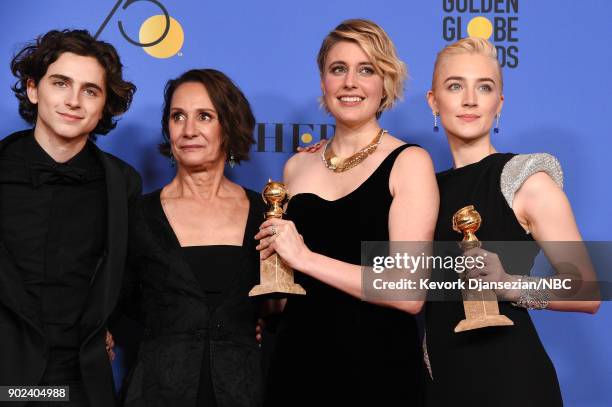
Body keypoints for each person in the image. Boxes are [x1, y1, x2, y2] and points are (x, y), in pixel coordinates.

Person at [256, 19, 439, 406]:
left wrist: (304, 257)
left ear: (385, 83)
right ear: (323, 82)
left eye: (366, 69)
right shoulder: (296, 168)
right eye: (338, 69)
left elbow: (408, 292)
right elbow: (287, 291)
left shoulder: (409, 162)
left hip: (379, 369)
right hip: (297, 363)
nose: (350, 82)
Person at [423, 37, 600, 406]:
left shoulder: (524, 179)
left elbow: (588, 290)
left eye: (484, 87)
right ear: (433, 101)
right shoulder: (424, 187)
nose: (470, 99)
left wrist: (508, 285)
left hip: (512, 382)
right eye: (455, 85)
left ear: (498, 104)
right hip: (441, 384)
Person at [0, 30, 140, 407]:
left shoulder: (122, 184)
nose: (73, 101)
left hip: (80, 382)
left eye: (90, 90)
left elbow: (135, 277)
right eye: (61, 83)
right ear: (33, 89)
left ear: (105, 105)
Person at [117, 69, 266, 407]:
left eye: (204, 116)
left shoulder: (265, 212)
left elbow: (279, 303)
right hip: (156, 390)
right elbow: (116, 300)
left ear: (227, 125)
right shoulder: (137, 214)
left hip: (243, 390)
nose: (188, 130)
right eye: (177, 116)